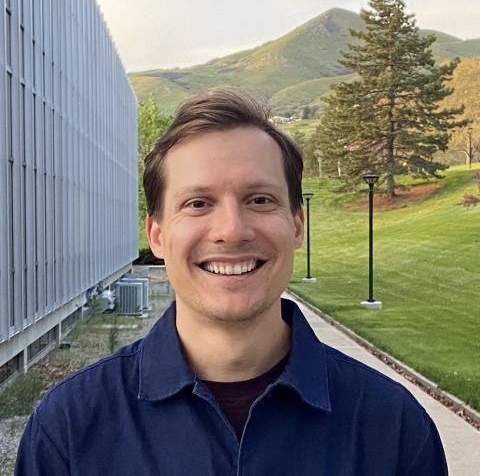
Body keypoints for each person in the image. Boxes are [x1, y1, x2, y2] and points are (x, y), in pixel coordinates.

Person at [16, 88, 448, 475]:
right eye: (198, 203)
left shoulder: (394, 430)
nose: (232, 230)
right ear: (158, 235)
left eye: (259, 200)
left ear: (297, 225)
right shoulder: (68, 431)